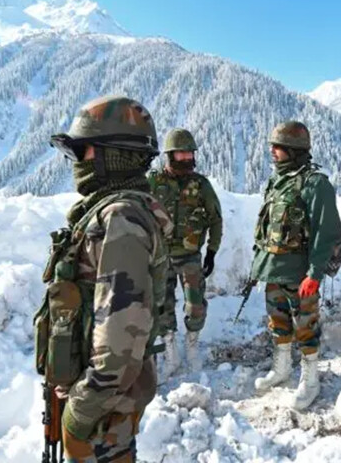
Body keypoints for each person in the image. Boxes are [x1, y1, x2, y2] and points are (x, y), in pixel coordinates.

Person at [39, 95, 172, 462]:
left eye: (81, 152)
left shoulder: (122, 219)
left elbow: (121, 342)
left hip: (103, 403)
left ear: (111, 155)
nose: (76, 164)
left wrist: (82, 408)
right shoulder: (108, 213)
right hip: (100, 397)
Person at [250, 120, 341, 410]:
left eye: (278, 147)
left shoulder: (315, 184)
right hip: (274, 270)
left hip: (301, 274)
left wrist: (314, 275)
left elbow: (326, 232)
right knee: (278, 321)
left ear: (293, 150)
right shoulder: (276, 181)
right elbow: (266, 226)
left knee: (306, 326)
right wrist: (259, 265)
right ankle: (281, 369)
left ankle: (310, 379)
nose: (272, 151)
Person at [147, 128, 223, 376]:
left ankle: (192, 346)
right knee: (162, 305)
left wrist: (211, 252)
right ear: (170, 156)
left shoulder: (201, 185)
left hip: (190, 255)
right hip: (160, 256)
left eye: (190, 153)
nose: (187, 158)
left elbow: (215, 219)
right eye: (182, 154)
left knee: (196, 304)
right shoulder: (153, 183)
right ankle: (170, 353)